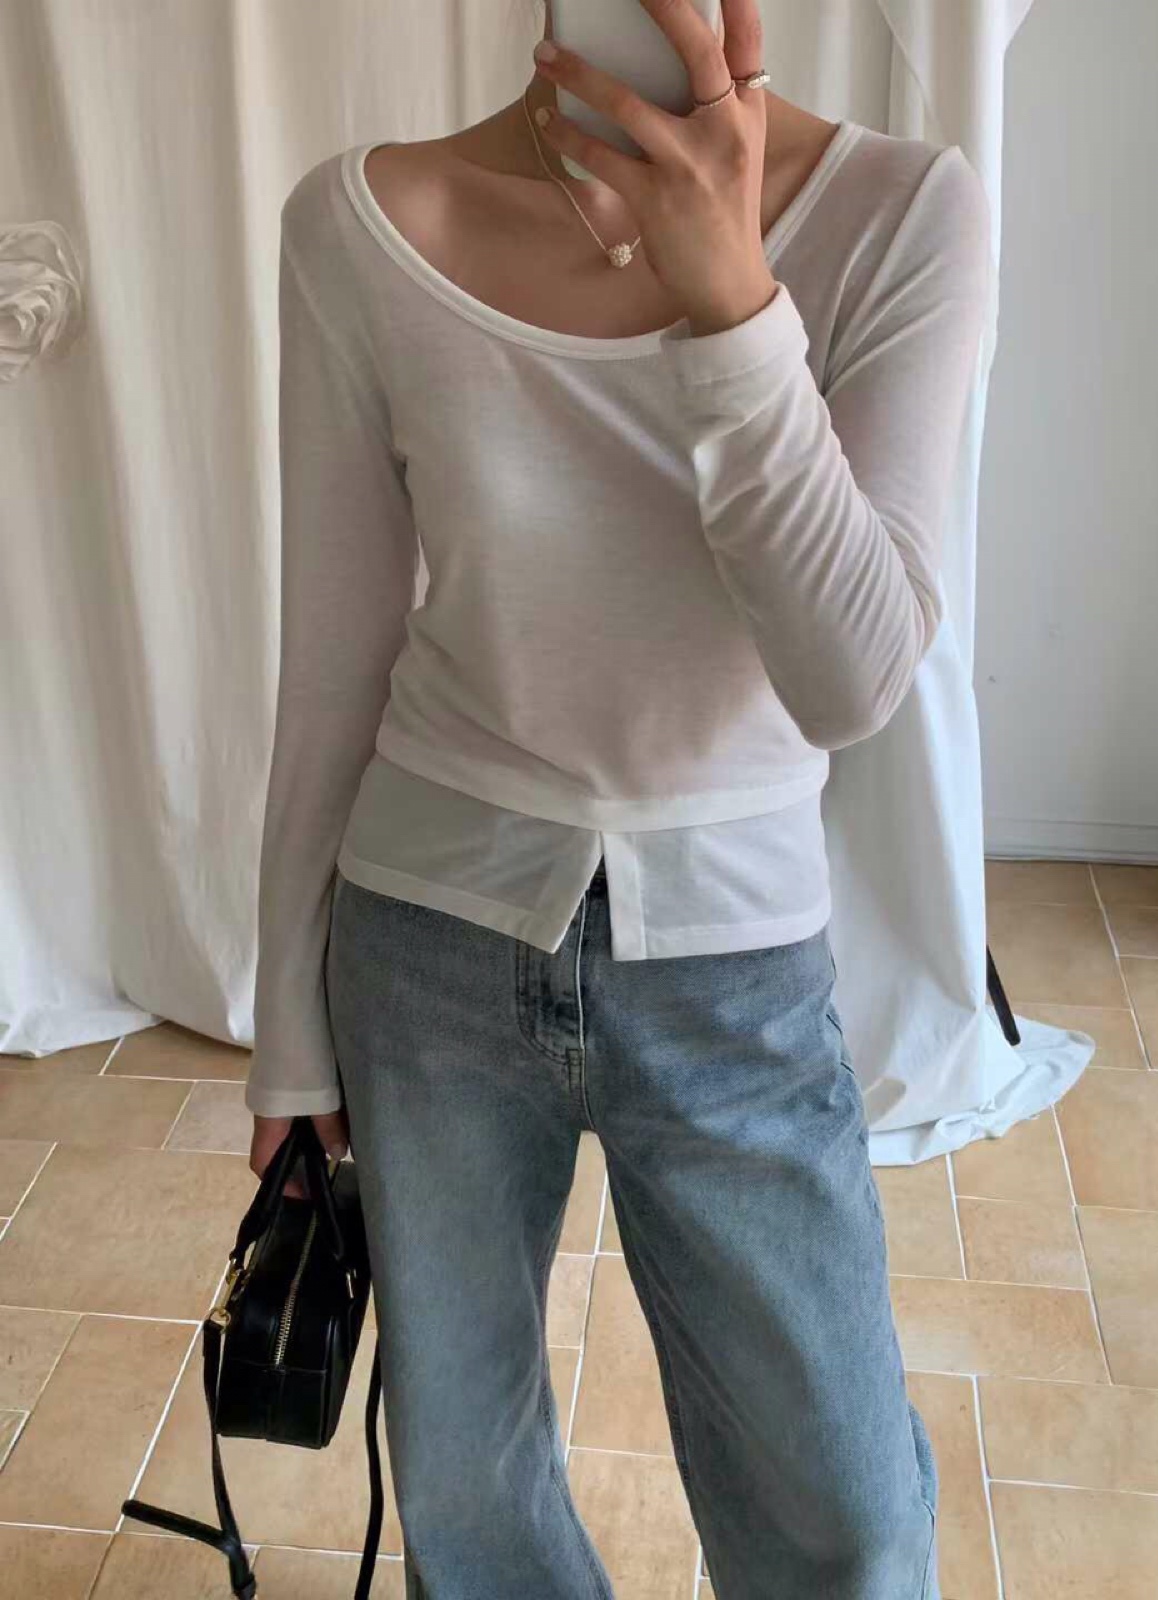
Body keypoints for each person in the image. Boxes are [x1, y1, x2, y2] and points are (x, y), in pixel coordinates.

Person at [246, 0, 990, 1594]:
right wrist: (287, 1038)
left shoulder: (905, 212)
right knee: (468, 1498)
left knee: (848, 1523)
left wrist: (734, 305)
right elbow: (332, 661)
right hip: (424, 947)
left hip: (737, 974)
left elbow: (854, 677)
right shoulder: (359, 223)